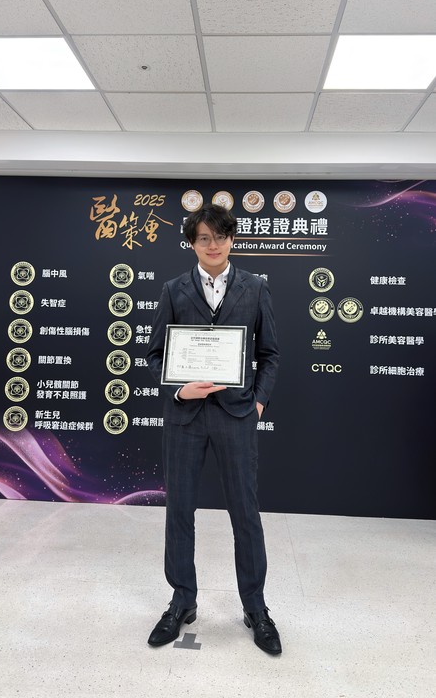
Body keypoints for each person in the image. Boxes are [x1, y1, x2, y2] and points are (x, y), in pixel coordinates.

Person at [146, 203, 281, 655]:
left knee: (245, 513)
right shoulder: (174, 289)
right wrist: (179, 390)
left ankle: (256, 607)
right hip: (184, 417)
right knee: (180, 511)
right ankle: (182, 600)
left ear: (231, 240)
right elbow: (155, 354)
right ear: (192, 243)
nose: (213, 244)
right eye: (203, 237)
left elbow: (270, 354)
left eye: (220, 236)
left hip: (236, 415)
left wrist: (258, 402)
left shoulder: (255, 287)